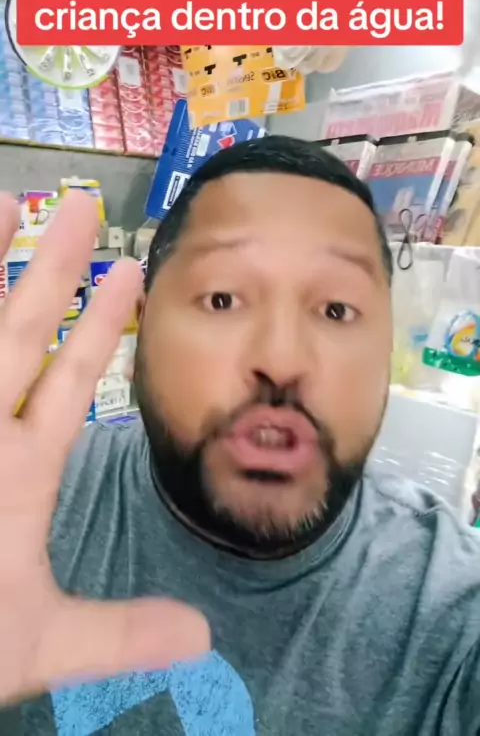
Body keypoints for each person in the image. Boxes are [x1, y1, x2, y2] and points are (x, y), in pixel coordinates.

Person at [0, 136, 478, 736]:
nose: (281, 360)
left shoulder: (453, 617)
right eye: (222, 299)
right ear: (141, 326)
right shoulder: (24, 509)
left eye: (336, 310)